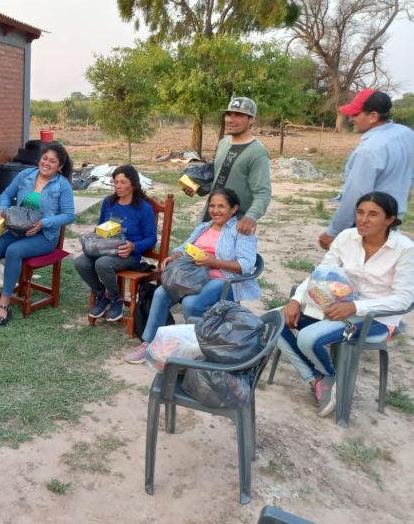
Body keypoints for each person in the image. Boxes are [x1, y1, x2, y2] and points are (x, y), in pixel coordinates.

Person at [278, 192, 414, 417]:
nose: (363, 219)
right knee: (275, 320)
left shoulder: (405, 249)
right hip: (335, 303)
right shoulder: (346, 237)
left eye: (373, 214)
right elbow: (321, 274)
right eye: (360, 212)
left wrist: (355, 308)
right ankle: (319, 379)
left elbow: (404, 299)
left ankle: (327, 379)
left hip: (376, 317)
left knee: (308, 338)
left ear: (389, 220)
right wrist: (295, 299)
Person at [126, 188, 261, 363]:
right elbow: (184, 248)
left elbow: (245, 265)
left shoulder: (240, 231)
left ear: (234, 209)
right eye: (212, 205)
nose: (215, 210)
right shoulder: (204, 227)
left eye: (221, 206)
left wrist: (213, 262)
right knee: (160, 293)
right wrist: (174, 257)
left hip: (224, 280)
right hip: (195, 277)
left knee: (191, 303)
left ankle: (193, 348)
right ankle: (149, 344)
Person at [0, 142, 75, 327]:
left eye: (52, 161)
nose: (46, 163)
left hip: (44, 236)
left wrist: (43, 223)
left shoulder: (62, 186)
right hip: (19, 229)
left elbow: (69, 215)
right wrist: (3, 208)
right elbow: (6, 193)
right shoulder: (26, 175)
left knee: (13, 251)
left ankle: (5, 303)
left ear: (60, 166)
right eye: (44, 158)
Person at [318, 89, 414, 251]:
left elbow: (354, 195)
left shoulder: (370, 149)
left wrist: (334, 232)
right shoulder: (406, 134)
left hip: (367, 224)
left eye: (356, 114)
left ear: (373, 116)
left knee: (356, 271)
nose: (351, 119)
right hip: (392, 218)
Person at [74, 165, 157, 322]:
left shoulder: (144, 208)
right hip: (104, 249)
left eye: (123, 182)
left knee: (102, 263)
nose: (118, 186)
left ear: (133, 184)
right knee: (80, 262)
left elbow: (151, 238)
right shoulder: (108, 202)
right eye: (115, 182)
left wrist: (134, 246)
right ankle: (102, 295)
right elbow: (100, 227)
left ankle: (116, 300)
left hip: (128, 254)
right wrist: (95, 240)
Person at [182, 97, 271, 236]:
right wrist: (198, 188)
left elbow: (262, 192)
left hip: (234, 226)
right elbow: (219, 179)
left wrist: (251, 217)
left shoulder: (257, 152)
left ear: (251, 119)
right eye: (229, 114)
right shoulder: (224, 143)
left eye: (239, 115)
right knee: (194, 256)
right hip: (209, 220)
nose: (230, 119)